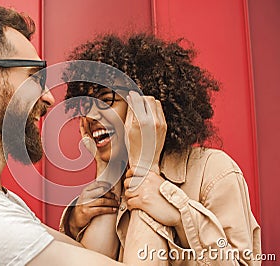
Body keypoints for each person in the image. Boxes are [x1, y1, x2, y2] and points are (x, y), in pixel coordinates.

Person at [0, 1, 166, 265]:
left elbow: (93, 258)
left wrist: (107, 166)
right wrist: (146, 166)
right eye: (34, 78)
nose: (49, 98)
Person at [61, 33, 261, 265]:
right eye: (86, 105)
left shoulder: (215, 171)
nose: (91, 116)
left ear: (146, 105)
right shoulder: (114, 182)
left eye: (107, 100)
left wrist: (181, 214)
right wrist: (82, 213)